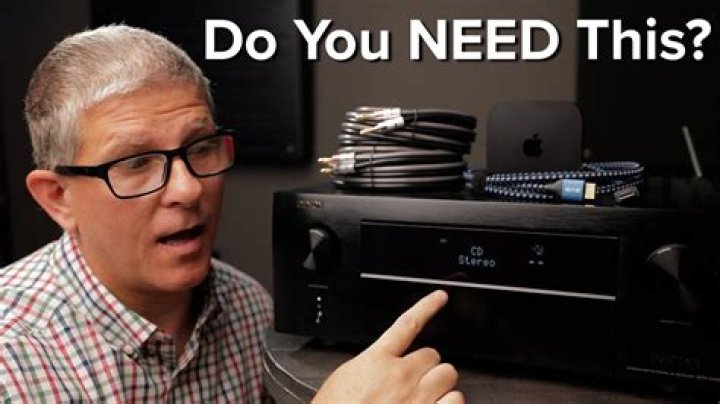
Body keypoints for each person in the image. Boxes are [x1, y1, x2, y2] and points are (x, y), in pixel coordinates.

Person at [0, 24, 462, 403]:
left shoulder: (249, 306)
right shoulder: (11, 358)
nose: (188, 189)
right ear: (58, 198)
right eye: (136, 162)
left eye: (201, 147)